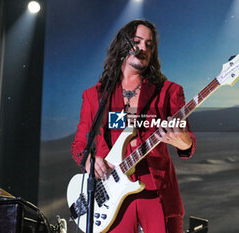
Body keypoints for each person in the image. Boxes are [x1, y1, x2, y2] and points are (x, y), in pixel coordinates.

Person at [71, 19, 196, 233]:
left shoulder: (168, 92)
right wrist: (91, 161)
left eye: (149, 44)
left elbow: (187, 142)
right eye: (137, 41)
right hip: (112, 198)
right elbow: (80, 144)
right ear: (123, 45)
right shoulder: (95, 96)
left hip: (157, 193)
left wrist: (182, 141)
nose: (143, 48)